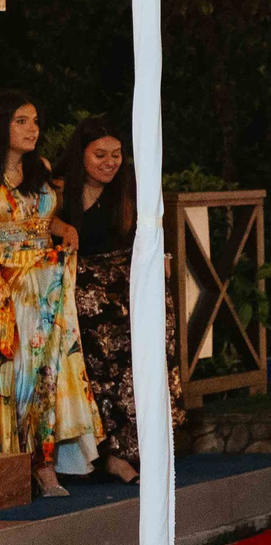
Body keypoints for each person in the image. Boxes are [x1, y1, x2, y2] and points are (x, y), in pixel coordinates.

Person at [61, 119, 177, 485]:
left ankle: (143, 446)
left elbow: (148, 234)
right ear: (80, 156)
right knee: (101, 342)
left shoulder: (130, 189)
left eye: (116, 154)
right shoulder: (62, 191)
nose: (109, 162)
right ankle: (110, 454)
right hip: (83, 285)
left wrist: (162, 259)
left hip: (127, 280)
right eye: (100, 155)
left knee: (152, 335)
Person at [1, 94, 100, 496]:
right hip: (9, 290)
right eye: (21, 121)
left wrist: (63, 229)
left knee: (50, 374)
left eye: (35, 121)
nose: (32, 129)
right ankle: (16, 466)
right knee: (15, 375)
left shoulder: (38, 168)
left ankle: (44, 465)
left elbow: (42, 217)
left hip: (47, 287)